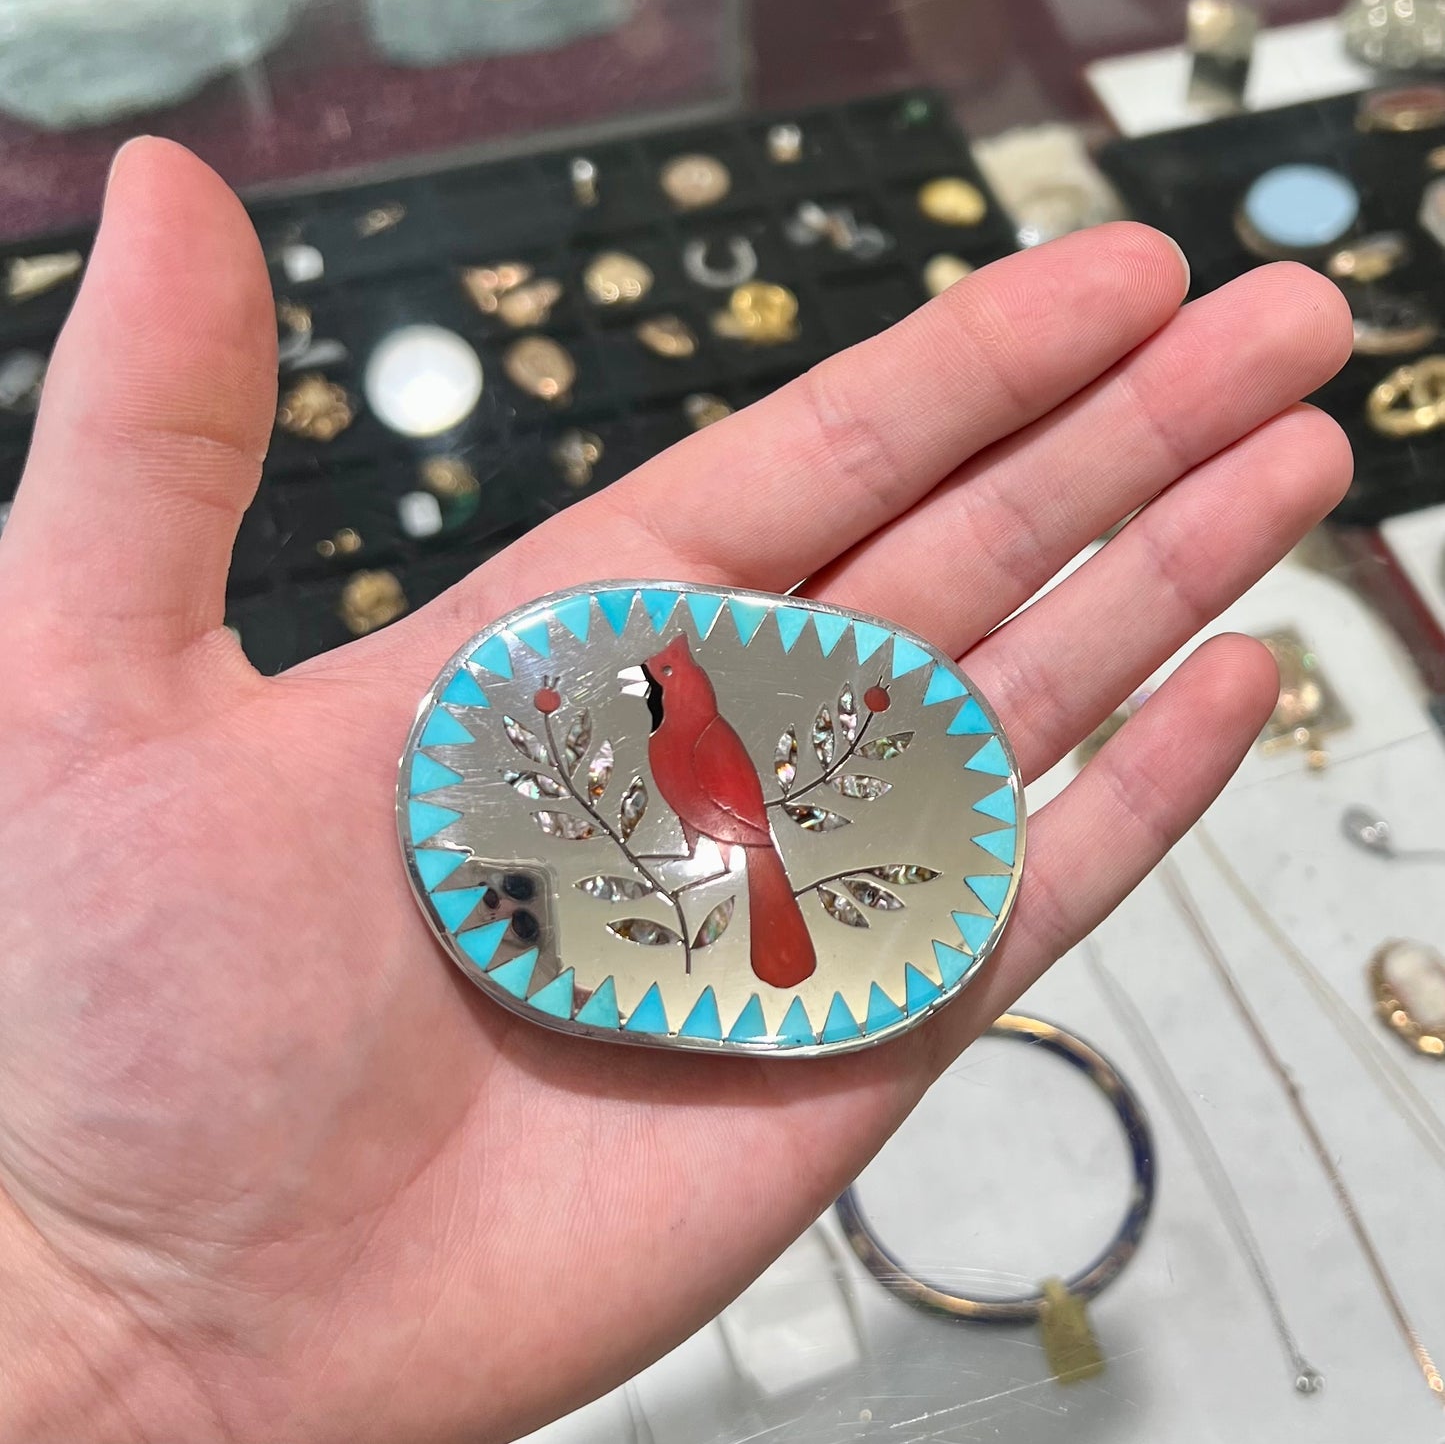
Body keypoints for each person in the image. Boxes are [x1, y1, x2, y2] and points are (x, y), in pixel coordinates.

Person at [0, 139, 1352, 1444]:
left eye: (658, 692)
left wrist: (104, 1344)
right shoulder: (650, 736)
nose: (652, 697)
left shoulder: (696, 734)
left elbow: (725, 802)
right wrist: (86, 1306)